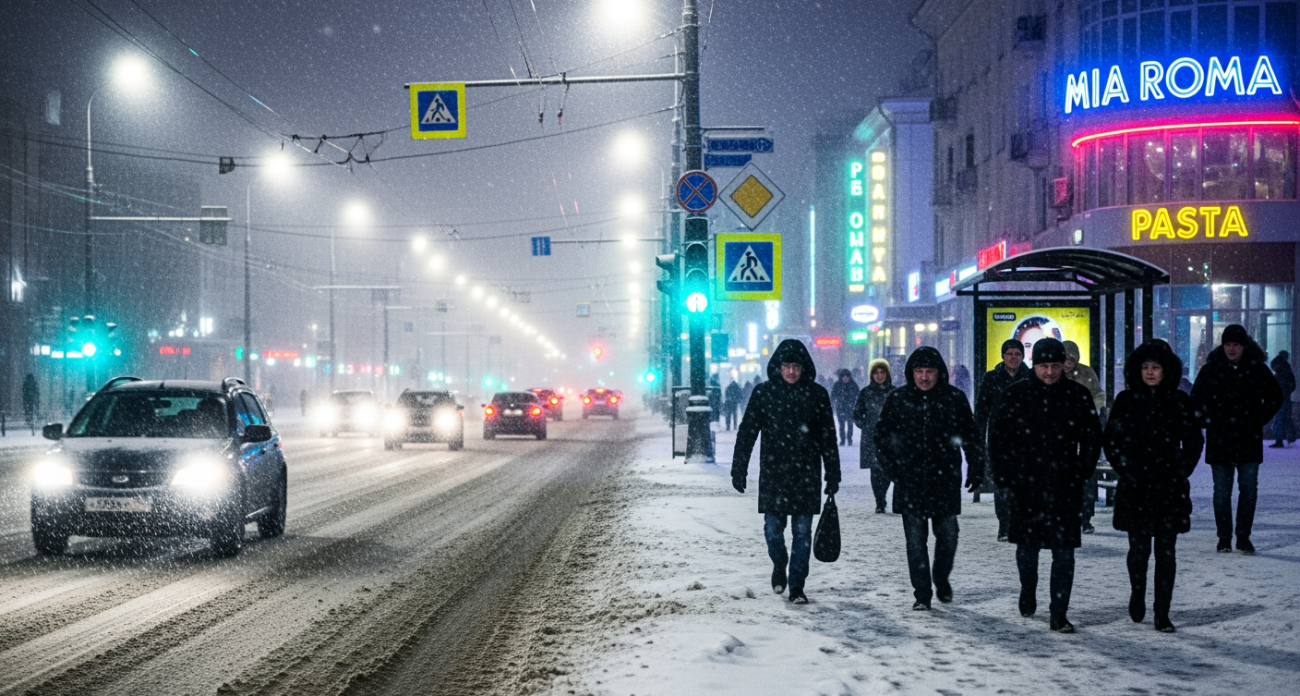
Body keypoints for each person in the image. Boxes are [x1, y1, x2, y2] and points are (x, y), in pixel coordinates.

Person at [990, 338, 1102, 633]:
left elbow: (1092, 439)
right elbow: (999, 439)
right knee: (1027, 549)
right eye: (1044, 366)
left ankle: (1059, 612)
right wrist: (1005, 477)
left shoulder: (1077, 396)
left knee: (1064, 551)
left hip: (1065, 485)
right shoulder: (1016, 395)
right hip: (1026, 485)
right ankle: (1028, 590)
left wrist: (1081, 472)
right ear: (1035, 365)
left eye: (1055, 366)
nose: (1050, 372)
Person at [875, 347, 986, 610]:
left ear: (940, 373)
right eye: (919, 372)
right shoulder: (898, 399)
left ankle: (941, 576)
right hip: (909, 480)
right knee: (915, 541)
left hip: (944, 479)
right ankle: (922, 593)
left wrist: (976, 465)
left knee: (948, 534)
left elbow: (970, 435)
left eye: (930, 372)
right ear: (911, 373)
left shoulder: (954, 399)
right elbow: (881, 438)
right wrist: (893, 469)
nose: (924, 377)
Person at [731, 339, 841, 605]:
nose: (791, 371)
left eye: (796, 366)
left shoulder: (817, 395)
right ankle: (780, 563)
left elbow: (828, 436)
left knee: (803, 533)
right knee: (773, 530)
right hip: (774, 474)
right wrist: (739, 468)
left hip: (806, 474)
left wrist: (833, 472)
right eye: (786, 366)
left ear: (804, 367)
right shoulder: (763, 393)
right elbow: (748, 432)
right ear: (778, 367)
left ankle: (797, 586)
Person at [1104, 340, 1203, 633]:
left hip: (1168, 486)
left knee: (1166, 550)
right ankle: (1137, 592)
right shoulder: (1126, 400)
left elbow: (1194, 441)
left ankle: (1163, 612)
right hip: (1136, 485)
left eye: (1156, 367)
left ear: (1165, 370)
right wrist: (1127, 468)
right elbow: (1111, 440)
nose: (1150, 372)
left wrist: (1181, 470)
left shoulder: (1179, 401)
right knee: (1138, 549)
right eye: (1145, 367)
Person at [1190, 324, 1283, 555]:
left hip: (1247, 438)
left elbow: (1275, 396)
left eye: (1236, 344)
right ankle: (1224, 538)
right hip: (1221, 438)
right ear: (1223, 345)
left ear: (1243, 346)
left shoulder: (1256, 369)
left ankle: (1243, 537)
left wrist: (1258, 418)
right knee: (1222, 491)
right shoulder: (1211, 369)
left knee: (1248, 489)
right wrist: (1207, 420)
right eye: (1228, 344)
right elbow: (1196, 400)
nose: (1231, 349)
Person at [973, 339, 1031, 542]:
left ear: (1023, 356)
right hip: (999, 439)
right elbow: (982, 411)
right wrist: (978, 437)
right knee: (1003, 484)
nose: (1013, 358)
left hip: (1026, 440)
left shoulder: (1031, 377)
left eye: (1017, 354)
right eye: (1010, 354)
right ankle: (1004, 524)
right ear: (1003, 356)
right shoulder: (992, 378)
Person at [1063, 340, 1106, 535]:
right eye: (1064, 359)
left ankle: (1085, 517)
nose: (1067, 363)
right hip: (1062, 436)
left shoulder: (1087, 374)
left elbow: (1098, 394)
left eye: (1071, 359)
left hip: (1083, 432)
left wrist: (1092, 410)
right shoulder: (1052, 375)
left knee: (1086, 476)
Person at [853, 358, 896, 513]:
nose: (879, 376)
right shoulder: (866, 392)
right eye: (876, 373)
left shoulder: (894, 392)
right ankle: (879, 500)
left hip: (890, 439)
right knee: (875, 470)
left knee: (887, 470)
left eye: (882, 372)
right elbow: (857, 414)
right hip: (871, 438)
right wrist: (865, 424)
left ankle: (882, 495)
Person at [1269, 351, 1295, 448]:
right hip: (1284, 397)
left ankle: (1280, 439)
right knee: (1285, 417)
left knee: (1279, 418)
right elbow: (1292, 385)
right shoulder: (1287, 371)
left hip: (1280, 398)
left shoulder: (1280, 373)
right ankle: (1289, 436)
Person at [830, 368, 860, 446]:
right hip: (840, 408)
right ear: (841, 377)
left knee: (850, 425)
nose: (845, 378)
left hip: (850, 408)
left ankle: (849, 439)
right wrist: (832, 404)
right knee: (841, 425)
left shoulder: (853, 384)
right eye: (843, 376)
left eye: (847, 376)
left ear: (849, 377)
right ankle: (842, 440)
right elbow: (833, 396)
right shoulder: (837, 385)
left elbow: (859, 395)